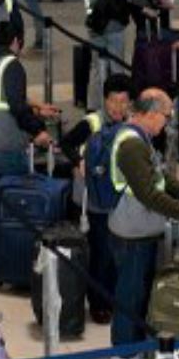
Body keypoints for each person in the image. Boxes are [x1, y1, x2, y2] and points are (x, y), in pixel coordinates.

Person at [106, 89, 179, 359]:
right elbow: (149, 194)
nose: (167, 122)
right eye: (166, 116)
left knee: (139, 292)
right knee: (130, 293)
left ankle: (135, 347)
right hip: (131, 233)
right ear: (150, 113)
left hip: (141, 230)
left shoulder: (142, 140)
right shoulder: (131, 146)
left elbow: (161, 179)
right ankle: (123, 354)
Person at [0, 21, 55, 247]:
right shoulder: (11, 65)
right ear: (16, 41)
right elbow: (15, 106)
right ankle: (9, 250)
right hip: (5, 143)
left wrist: (35, 108)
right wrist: (39, 130)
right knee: (15, 200)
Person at [68, 74, 134, 325]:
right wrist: (78, 161)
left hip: (119, 200)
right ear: (104, 100)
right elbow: (66, 143)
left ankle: (112, 298)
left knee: (116, 253)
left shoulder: (130, 124)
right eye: (113, 101)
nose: (118, 107)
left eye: (123, 102)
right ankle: (98, 303)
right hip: (94, 200)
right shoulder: (92, 122)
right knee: (100, 254)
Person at [80, 0, 132, 109]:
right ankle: (119, 105)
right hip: (114, 29)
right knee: (117, 68)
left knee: (96, 68)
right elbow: (122, 4)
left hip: (95, 29)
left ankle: (94, 105)